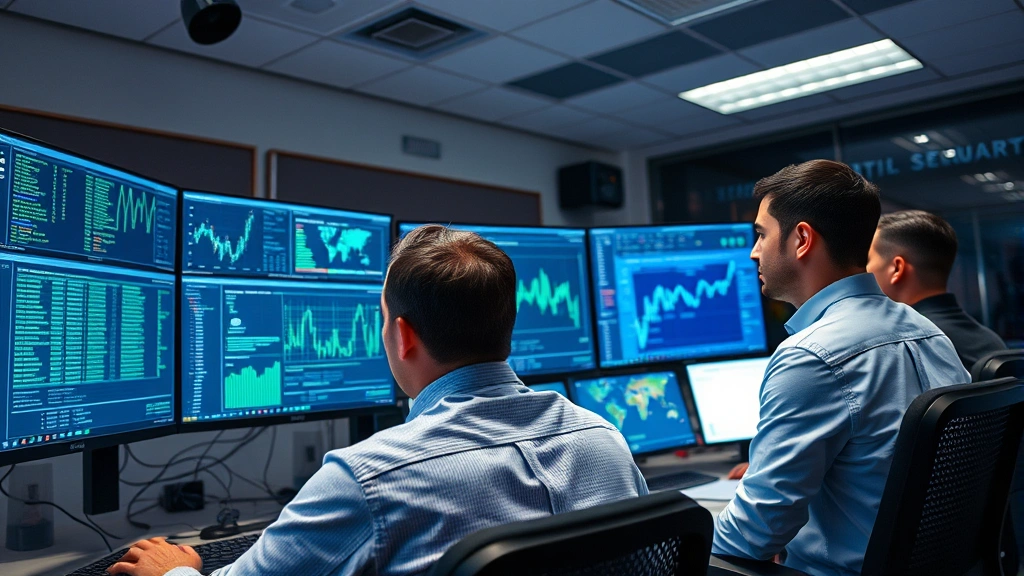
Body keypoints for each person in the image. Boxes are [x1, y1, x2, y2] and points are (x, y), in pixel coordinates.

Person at [109, 225, 647, 576]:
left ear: (403, 336)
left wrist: (172, 571)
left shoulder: (367, 477)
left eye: (383, 317)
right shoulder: (602, 439)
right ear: (509, 324)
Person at [713, 160, 969, 576]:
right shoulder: (928, 332)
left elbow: (751, 537)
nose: (753, 251)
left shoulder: (811, 355)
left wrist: (680, 535)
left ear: (801, 239)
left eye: (761, 234)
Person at [867, 209, 1007, 370]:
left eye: (867, 260)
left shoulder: (906, 344)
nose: (863, 269)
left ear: (897, 269)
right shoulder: (991, 340)